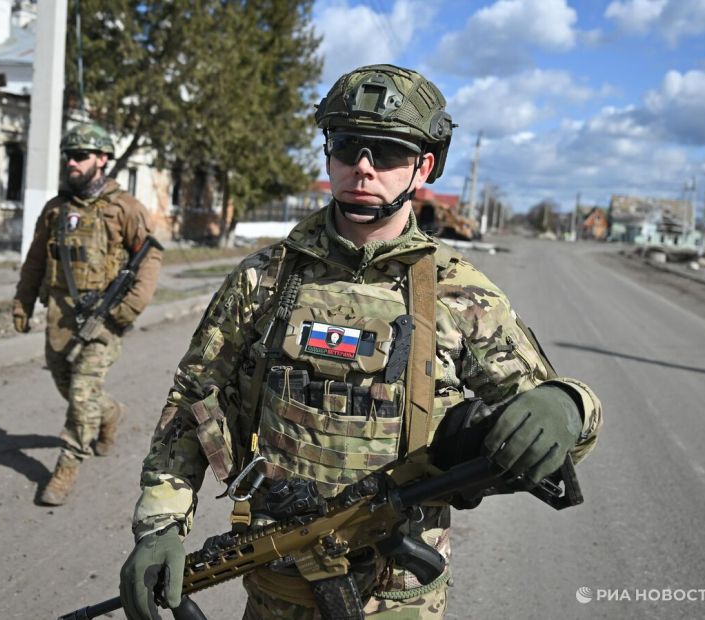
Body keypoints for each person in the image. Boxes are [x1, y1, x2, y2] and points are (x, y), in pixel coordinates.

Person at [118, 65, 602, 618]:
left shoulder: (460, 292)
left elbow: (553, 430)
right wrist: (160, 524)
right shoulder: (263, 280)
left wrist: (566, 405)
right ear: (329, 155)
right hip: (280, 578)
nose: (363, 168)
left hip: (400, 594)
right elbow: (193, 402)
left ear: (424, 166)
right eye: (348, 146)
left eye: (388, 153)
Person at [13, 122, 162, 506]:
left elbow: (150, 260)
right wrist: (23, 302)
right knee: (69, 385)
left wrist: (127, 310)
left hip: (105, 315)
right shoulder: (55, 209)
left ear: (102, 159)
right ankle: (110, 414)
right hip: (60, 314)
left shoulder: (125, 208)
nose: (72, 163)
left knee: (81, 392)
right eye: (69, 156)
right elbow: (34, 261)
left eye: (80, 156)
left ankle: (67, 466)